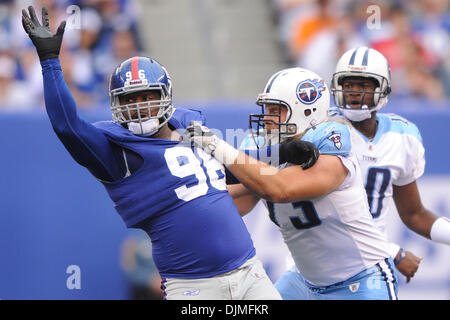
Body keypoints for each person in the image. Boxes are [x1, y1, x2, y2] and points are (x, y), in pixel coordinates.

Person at [21, 5, 288, 300]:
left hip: (250, 272)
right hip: (195, 288)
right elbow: (68, 126)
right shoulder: (118, 153)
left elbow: (237, 171)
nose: (140, 106)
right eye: (131, 99)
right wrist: (49, 61)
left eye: (148, 97)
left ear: (166, 97)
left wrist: (286, 151)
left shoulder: (189, 128)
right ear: (116, 105)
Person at [186, 67, 399, 300]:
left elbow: (281, 189)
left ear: (307, 110)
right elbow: (236, 203)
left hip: (360, 279)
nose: (266, 118)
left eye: (276, 110)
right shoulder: (263, 146)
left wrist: (216, 146)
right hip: (303, 283)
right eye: (266, 109)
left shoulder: (330, 140)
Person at [329, 47, 450, 278]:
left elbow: (414, 214)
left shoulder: (402, 136)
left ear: (382, 89)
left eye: (363, 85)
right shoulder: (323, 131)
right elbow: (329, 217)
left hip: (369, 268)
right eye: (348, 85)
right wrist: (392, 251)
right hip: (317, 258)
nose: (354, 92)